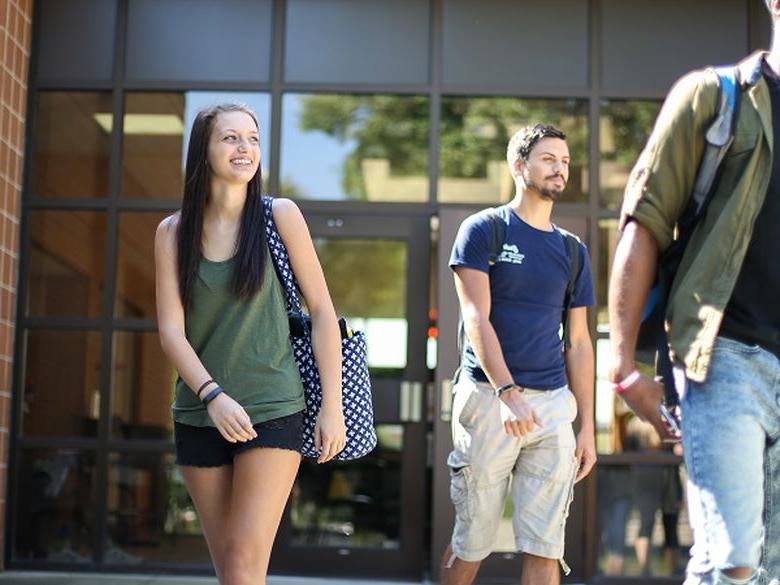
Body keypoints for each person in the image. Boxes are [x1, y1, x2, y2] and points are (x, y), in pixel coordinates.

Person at [607, 2, 780, 583]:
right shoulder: (717, 98)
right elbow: (644, 224)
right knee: (736, 560)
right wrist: (625, 369)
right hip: (726, 356)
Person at [154, 103, 346, 585]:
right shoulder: (173, 234)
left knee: (241, 564)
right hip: (201, 412)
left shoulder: (279, 216)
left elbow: (323, 311)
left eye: (253, 138)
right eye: (231, 138)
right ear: (204, 149)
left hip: (274, 405)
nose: (245, 149)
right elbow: (171, 333)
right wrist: (212, 396)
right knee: (234, 570)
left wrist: (332, 406)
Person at [440, 124, 597, 585]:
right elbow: (476, 318)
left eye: (565, 161)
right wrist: (508, 393)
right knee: (473, 542)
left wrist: (586, 426)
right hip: (491, 399)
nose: (560, 169)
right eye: (549, 159)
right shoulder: (484, 229)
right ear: (518, 165)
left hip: (551, 406)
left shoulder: (573, 250)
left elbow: (581, 343)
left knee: (545, 545)